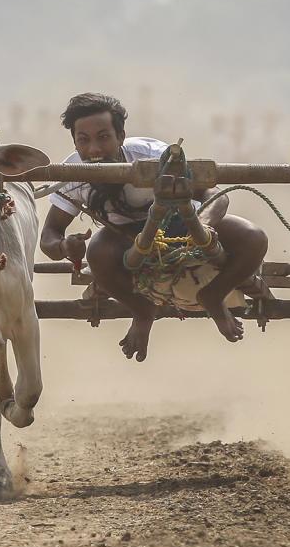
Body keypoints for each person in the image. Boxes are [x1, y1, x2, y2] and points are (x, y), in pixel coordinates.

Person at [40, 93, 268, 362]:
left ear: (121, 136)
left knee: (254, 238)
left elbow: (214, 195)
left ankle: (213, 295)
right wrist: (65, 246)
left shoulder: (154, 156)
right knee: (97, 253)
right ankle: (143, 311)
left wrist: (201, 229)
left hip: (180, 225)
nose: (94, 150)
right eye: (84, 140)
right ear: (75, 143)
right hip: (123, 238)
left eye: (104, 137)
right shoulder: (72, 173)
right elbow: (49, 236)